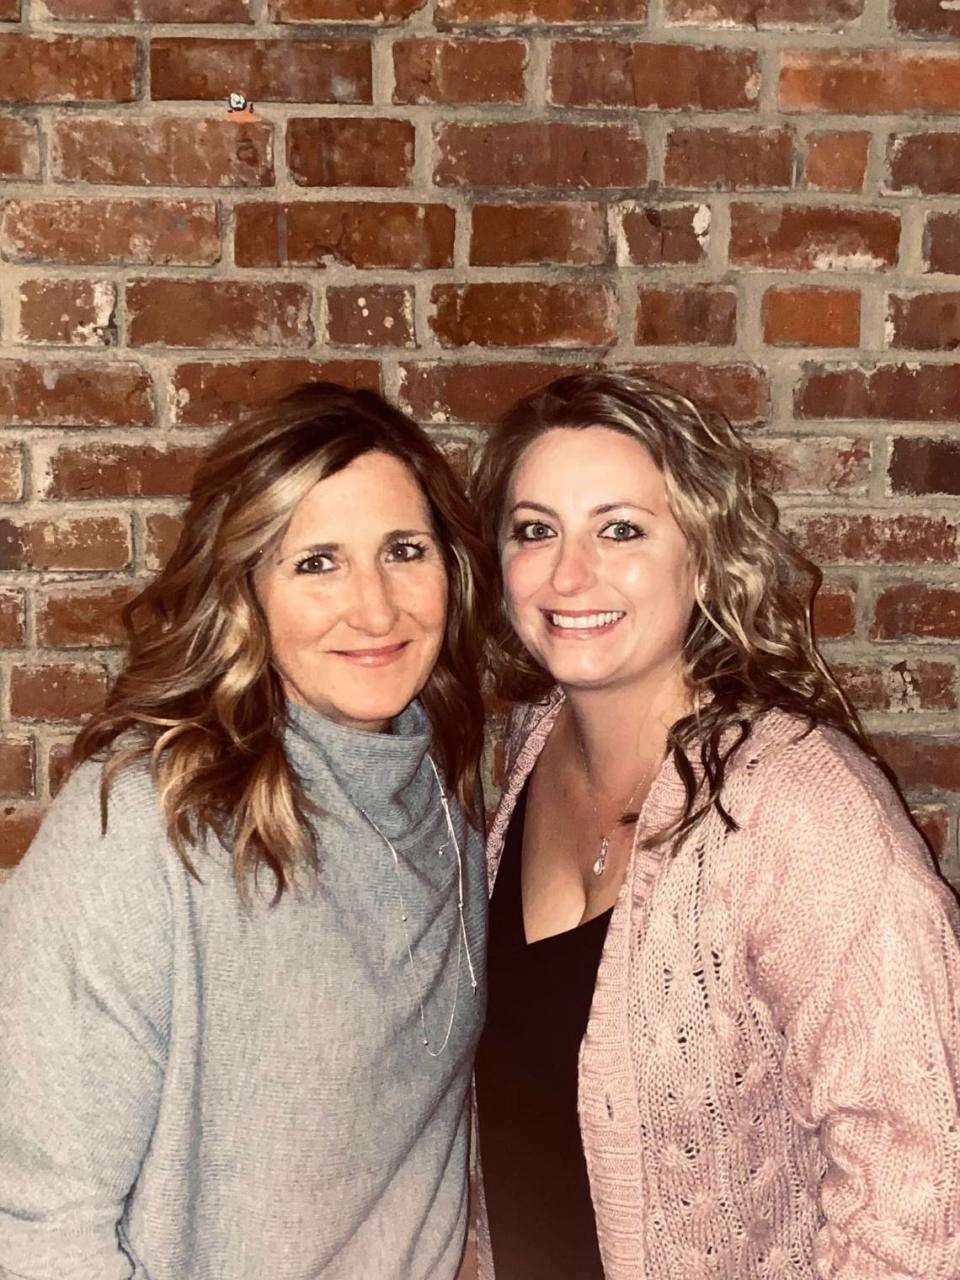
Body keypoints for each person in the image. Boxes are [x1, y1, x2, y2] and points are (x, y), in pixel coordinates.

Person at [470, 370, 960, 1280]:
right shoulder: (527, 752)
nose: (569, 574)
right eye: (535, 530)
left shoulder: (802, 811)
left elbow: (926, 1199)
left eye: (621, 529)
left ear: (702, 551)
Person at [0, 383, 492, 1280]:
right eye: (316, 563)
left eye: (403, 552)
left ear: (449, 570)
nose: (376, 610)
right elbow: (36, 1229)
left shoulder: (440, 796)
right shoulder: (144, 828)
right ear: (245, 590)